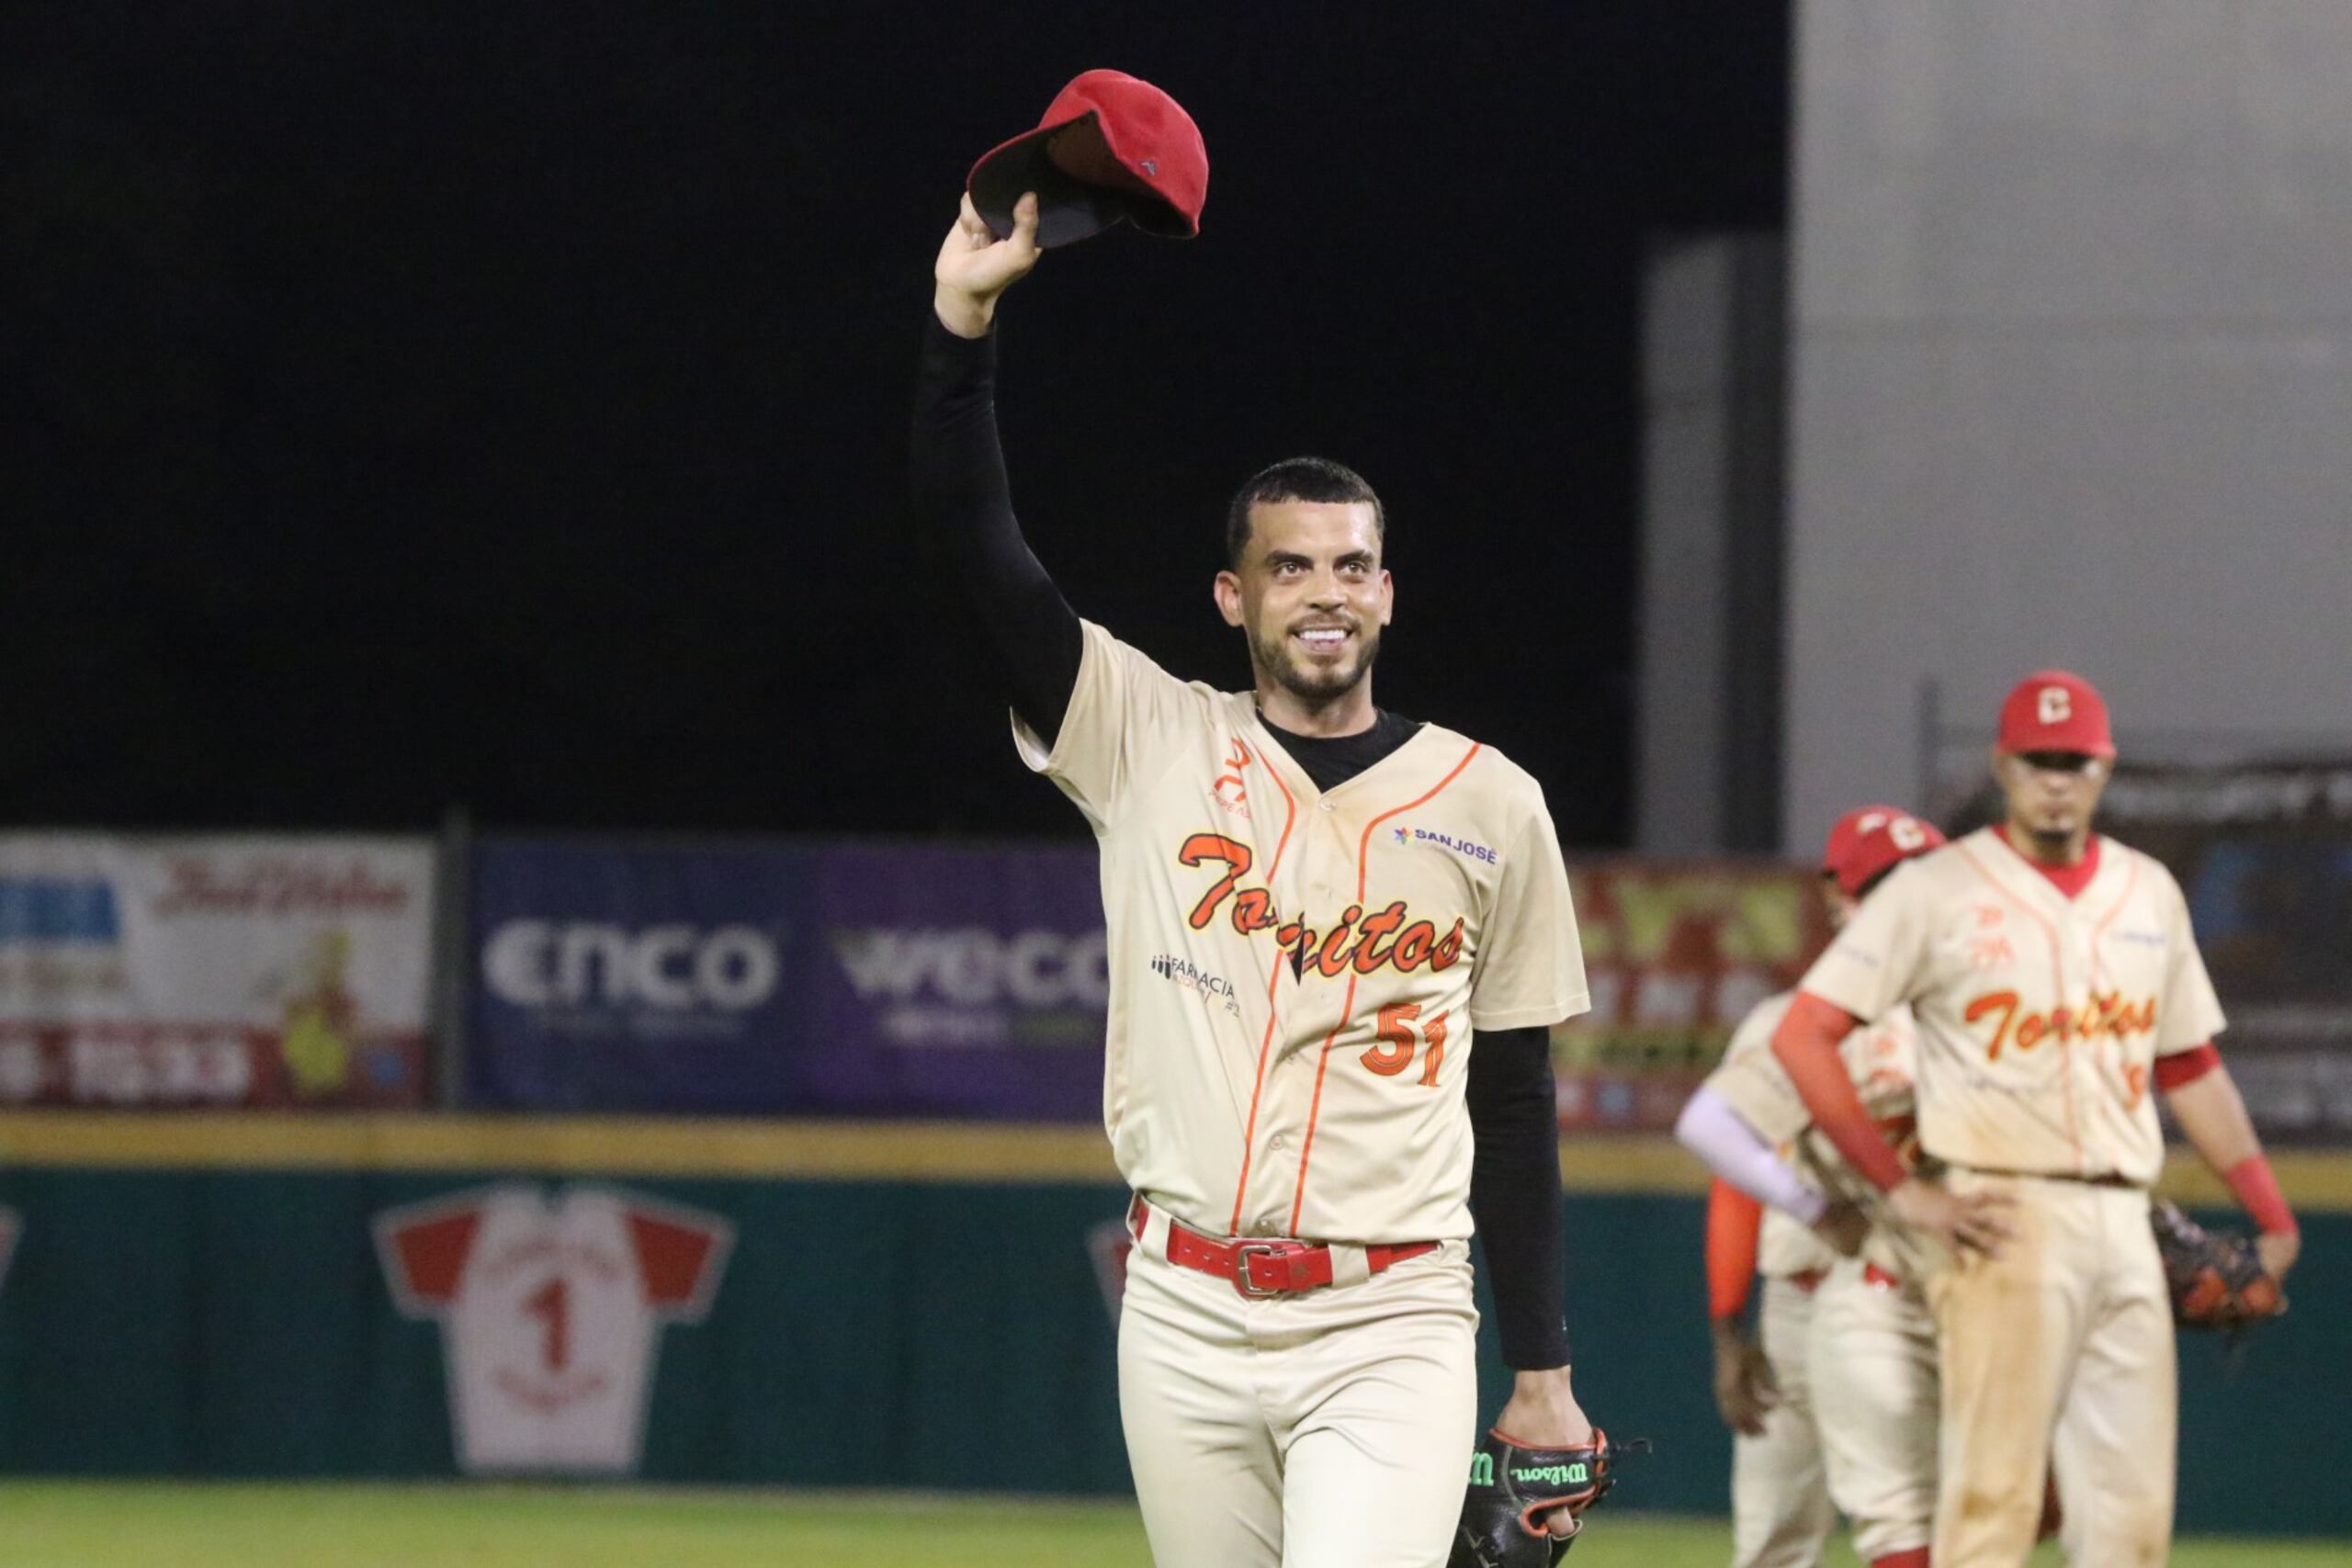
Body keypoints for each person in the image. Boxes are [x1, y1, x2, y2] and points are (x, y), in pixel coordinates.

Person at [912, 190, 1600, 1568]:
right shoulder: (1145, 737)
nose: (1324, 591)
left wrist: (1543, 1369)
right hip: (1180, 1307)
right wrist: (960, 329)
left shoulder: (1490, 799)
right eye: (1288, 567)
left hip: (1389, 1312)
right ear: (1235, 597)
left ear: (1387, 592)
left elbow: (1513, 1090)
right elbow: (978, 552)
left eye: (1351, 566)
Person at [1769, 671, 2302, 1567]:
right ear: (2004, 766)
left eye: (2074, 762)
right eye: (2038, 760)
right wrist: (1902, 1191)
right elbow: (1804, 1034)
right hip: (2003, 1213)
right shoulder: (1935, 890)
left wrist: (2271, 1212)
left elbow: (2186, 1063)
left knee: (2131, 1520)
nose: (2056, 780)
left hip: (2125, 1218)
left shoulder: (2147, 891)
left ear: (2104, 768)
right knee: (1993, 1505)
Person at [1678, 807, 1944, 1568]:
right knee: (1774, 1540)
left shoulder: (1965, 1011)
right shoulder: (1790, 1022)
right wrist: (1730, 1328)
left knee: (1926, 1515)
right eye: (1890, 882)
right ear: (1839, 896)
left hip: (1923, 1293)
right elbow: (1733, 1170)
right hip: (1800, 1300)